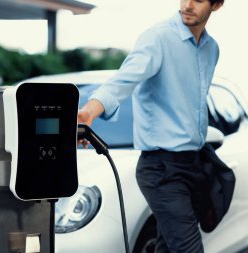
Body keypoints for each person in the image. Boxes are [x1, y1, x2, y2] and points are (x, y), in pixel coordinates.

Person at [78, 0, 226, 252]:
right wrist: (89, 111)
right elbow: (121, 81)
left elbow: (194, 106)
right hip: (161, 169)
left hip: (194, 164)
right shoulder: (158, 38)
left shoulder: (211, 49)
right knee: (189, 248)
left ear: (217, 5)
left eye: (199, 0)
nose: (188, 5)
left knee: (167, 246)